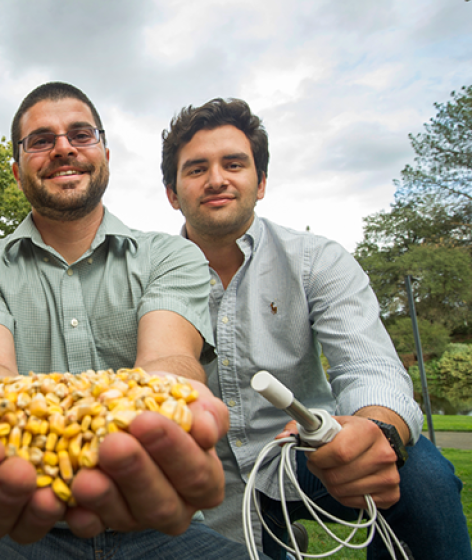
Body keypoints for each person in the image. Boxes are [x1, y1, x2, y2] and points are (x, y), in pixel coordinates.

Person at [0, 82, 269, 559]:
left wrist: (167, 402)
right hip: (25, 522)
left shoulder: (171, 255)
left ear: (105, 153)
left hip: (160, 521)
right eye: (41, 140)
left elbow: (169, 357)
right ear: (17, 169)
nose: (63, 147)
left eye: (80, 135)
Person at [160, 97, 471, 559]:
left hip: (307, 451)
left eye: (234, 164)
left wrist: (377, 432)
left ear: (261, 182)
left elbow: (368, 364)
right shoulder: (150, 273)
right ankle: (280, 540)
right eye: (197, 168)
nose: (217, 179)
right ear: (172, 193)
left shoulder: (316, 259)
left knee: (420, 475)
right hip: (208, 470)